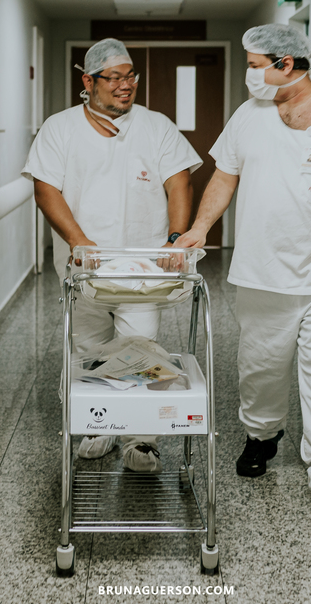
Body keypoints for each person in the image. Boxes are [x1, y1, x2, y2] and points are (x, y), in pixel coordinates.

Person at [175, 24, 311, 526]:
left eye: (255, 65)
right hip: (262, 271)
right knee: (260, 368)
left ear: (286, 64)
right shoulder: (248, 116)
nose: (249, 74)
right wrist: (200, 228)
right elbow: (224, 175)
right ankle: (261, 434)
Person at [22, 37, 202, 472]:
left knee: (141, 346)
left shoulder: (156, 126)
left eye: (131, 76)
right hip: (86, 268)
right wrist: (78, 240)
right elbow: (45, 189)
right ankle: (100, 425)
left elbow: (179, 181)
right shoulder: (60, 129)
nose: (126, 85)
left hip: (144, 269)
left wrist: (176, 238)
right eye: (115, 77)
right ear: (89, 82)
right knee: (90, 348)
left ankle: (141, 440)